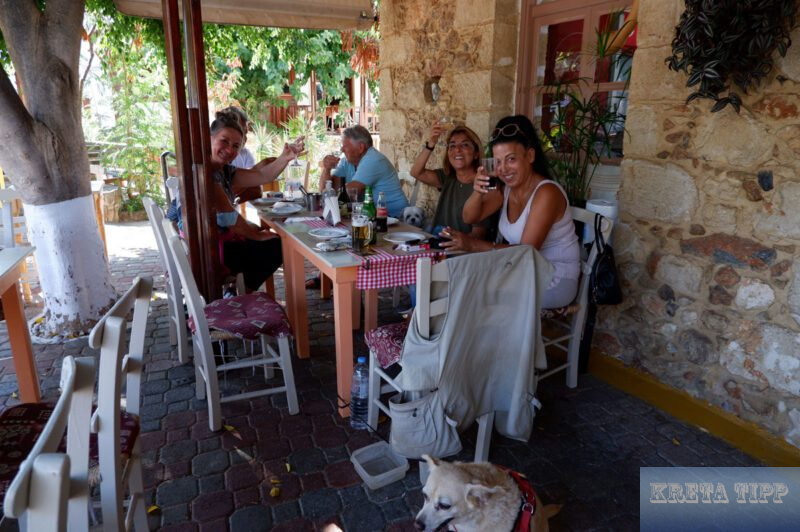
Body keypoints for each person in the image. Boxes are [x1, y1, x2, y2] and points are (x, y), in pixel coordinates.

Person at [443, 115, 580, 309]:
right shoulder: (506, 189)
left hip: (554, 278)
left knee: (473, 293)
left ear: (530, 156)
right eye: (498, 162)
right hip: (518, 269)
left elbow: (526, 252)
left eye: (511, 159)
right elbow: (469, 217)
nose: (503, 169)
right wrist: (477, 191)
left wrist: (473, 245)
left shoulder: (547, 193)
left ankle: (492, 339)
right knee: (459, 280)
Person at [209, 111, 303, 291]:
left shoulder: (222, 171)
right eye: (224, 141)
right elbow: (230, 218)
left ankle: (239, 290)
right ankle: (239, 291)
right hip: (212, 253)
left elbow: (262, 175)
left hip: (215, 243)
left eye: (236, 146)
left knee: (271, 239)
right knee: (276, 245)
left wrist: (285, 157)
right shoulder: (208, 175)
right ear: (210, 138)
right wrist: (258, 235)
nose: (230, 149)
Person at [410, 120, 492, 239]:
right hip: (437, 245)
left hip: (460, 252)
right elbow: (416, 172)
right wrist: (431, 143)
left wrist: (452, 244)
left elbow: (477, 235)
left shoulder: (483, 184)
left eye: (464, 145)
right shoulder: (448, 177)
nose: (457, 150)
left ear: (476, 154)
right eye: (452, 146)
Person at [319, 125, 408, 217]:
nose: (342, 149)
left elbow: (348, 193)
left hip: (397, 219)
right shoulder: (347, 161)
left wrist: (328, 195)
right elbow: (325, 191)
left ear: (361, 148)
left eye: (345, 146)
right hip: (373, 218)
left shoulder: (373, 159)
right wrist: (327, 169)